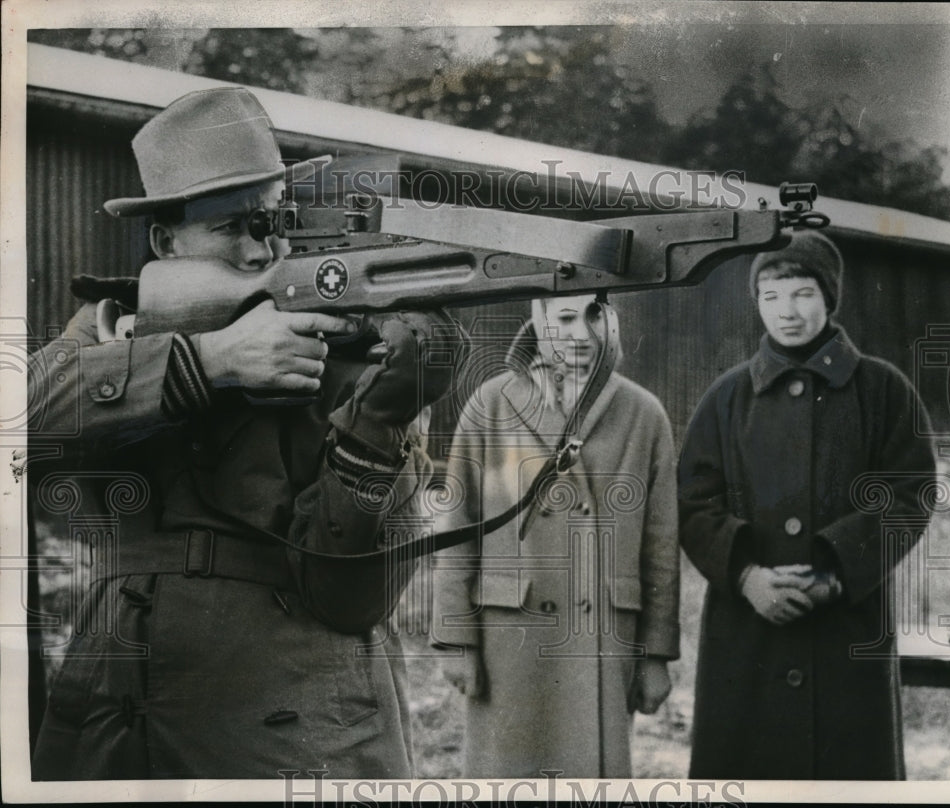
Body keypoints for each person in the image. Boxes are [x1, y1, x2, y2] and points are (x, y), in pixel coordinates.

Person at [28, 87, 460, 779]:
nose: (267, 250)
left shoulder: (349, 343)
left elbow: (354, 600)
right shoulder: (112, 328)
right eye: (236, 226)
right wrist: (210, 360)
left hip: (286, 715)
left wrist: (380, 420)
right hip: (117, 707)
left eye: (277, 221)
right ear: (167, 243)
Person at [677, 230, 936, 779]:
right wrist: (746, 577)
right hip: (747, 631)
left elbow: (910, 492)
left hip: (844, 627)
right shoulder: (726, 397)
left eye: (801, 293)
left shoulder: (882, 389)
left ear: (829, 296)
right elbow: (693, 503)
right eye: (771, 296)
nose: (786, 312)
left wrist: (836, 575)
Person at [430, 295, 679, 778]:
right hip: (510, 637)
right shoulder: (492, 403)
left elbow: (661, 547)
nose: (582, 333)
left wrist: (656, 655)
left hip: (601, 636)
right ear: (539, 318)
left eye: (595, 316)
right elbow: (457, 527)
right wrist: (456, 639)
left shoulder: (644, 414)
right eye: (566, 316)